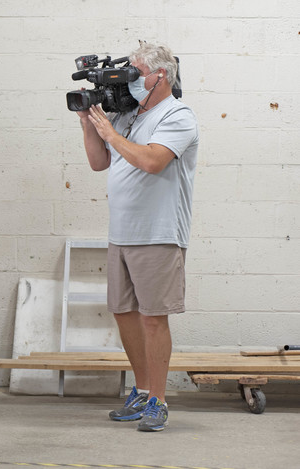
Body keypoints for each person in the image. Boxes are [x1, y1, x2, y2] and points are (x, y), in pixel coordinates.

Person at [77, 42, 198, 432]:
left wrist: (110, 133)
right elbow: (98, 163)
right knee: (125, 314)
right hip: (122, 233)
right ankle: (143, 391)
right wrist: (88, 123)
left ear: (159, 76)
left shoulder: (177, 115)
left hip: (158, 233)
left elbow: (151, 161)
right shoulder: (127, 115)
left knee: (152, 319)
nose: (129, 79)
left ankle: (159, 402)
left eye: (135, 71)